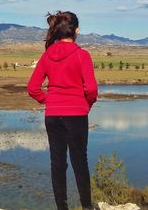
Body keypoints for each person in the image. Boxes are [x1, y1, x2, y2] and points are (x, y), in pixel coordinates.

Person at [27, 11, 98, 210]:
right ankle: (86, 207)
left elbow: (32, 88)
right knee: (79, 162)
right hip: (76, 115)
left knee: (57, 163)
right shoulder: (82, 55)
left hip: (53, 116)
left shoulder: (47, 55)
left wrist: (50, 101)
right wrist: (86, 105)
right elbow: (91, 89)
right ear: (76, 31)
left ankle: (62, 208)